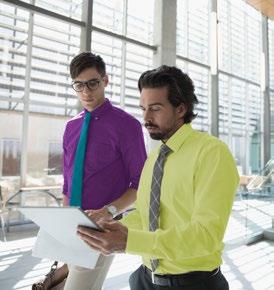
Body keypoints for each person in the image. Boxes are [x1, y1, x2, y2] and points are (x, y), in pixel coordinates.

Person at [77, 65, 240, 290]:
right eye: (143, 108)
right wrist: (110, 226)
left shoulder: (211, 153)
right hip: (146, 280)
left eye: (155, 108)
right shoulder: (155, 157)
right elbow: (147, 215)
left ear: (180, 109)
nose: (146, 117)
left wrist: (128, 241)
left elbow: (206, 235)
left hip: (193, 284)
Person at [62, 52, 147, 290]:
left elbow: (141, 184)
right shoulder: (71, 127)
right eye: (79, 85)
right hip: (69, 223)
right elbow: (67, 181)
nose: (86, 92)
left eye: (93, 83)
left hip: (101, 226)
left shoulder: (127, 126)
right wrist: (61, 220)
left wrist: (107, 212)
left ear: (105, 81)